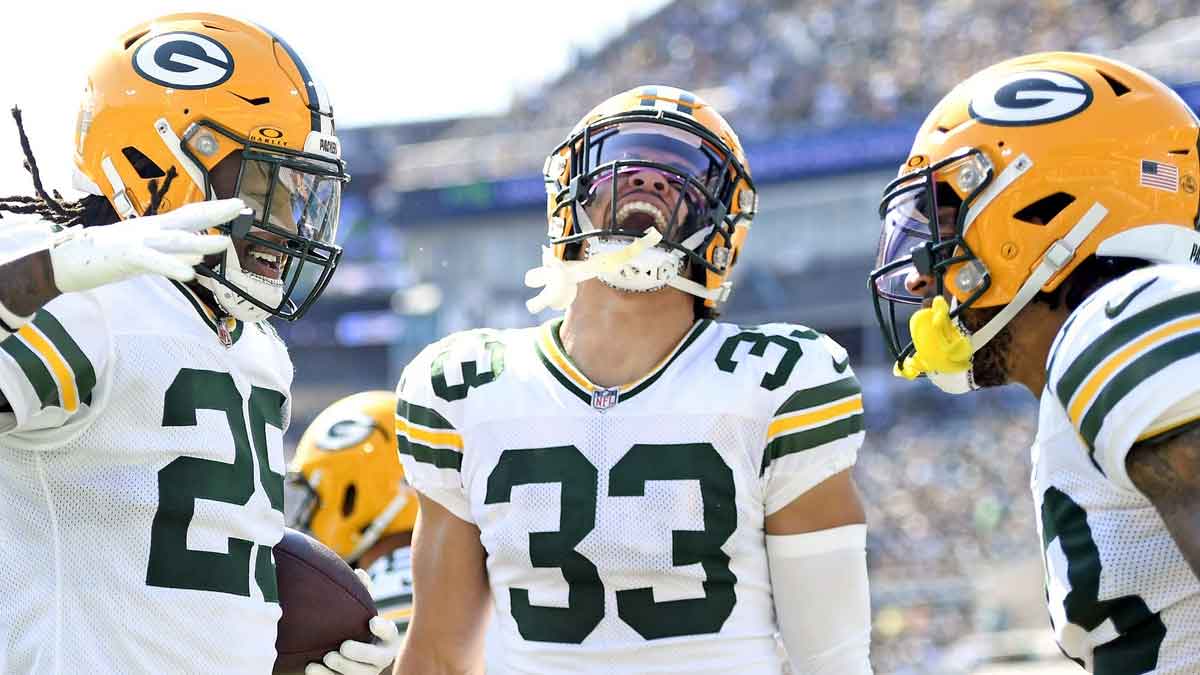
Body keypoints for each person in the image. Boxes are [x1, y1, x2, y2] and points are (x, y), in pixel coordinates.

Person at [393, 86, 873, 674]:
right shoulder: (464, 388)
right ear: (568, 195)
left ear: (722, 223)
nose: (648, 180)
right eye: (622, 164)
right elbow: (440, 657)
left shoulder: (779, 382)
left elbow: (832, 660)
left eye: (679, 175)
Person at [0, 13, 397, 674]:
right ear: (157, 161)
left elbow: (189, 574)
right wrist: (40, 277)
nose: (289, 222)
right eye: (264, 185)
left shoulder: (257, 348)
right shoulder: (89, 299)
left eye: (299, 193)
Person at [869, 52, 1200, 673]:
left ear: (1043, 211)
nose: (918, 278)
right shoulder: (1103, 352)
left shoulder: (1126, 320)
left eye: (945, 223)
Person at [289, 391, 420, 631]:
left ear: (350, 496)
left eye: (315, 496)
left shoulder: (373, 594)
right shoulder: (463, 568)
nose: (308, 512)